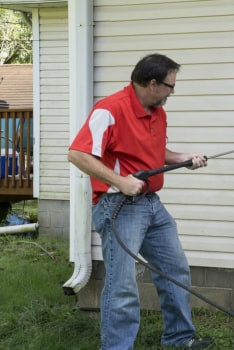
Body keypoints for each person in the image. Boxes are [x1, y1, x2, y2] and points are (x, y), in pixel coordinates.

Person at [68, 53, 213, 350]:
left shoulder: (157, 111)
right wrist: (120, 181)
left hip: (151, 205)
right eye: (170, 86)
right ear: (152, 83)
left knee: (175, 270)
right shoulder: (110, 109)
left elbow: (154, 153)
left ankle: (178, 338)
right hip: (119, 208)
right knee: (122, 287)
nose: (173, 92)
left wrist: (182, 158)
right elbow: (78, 154)